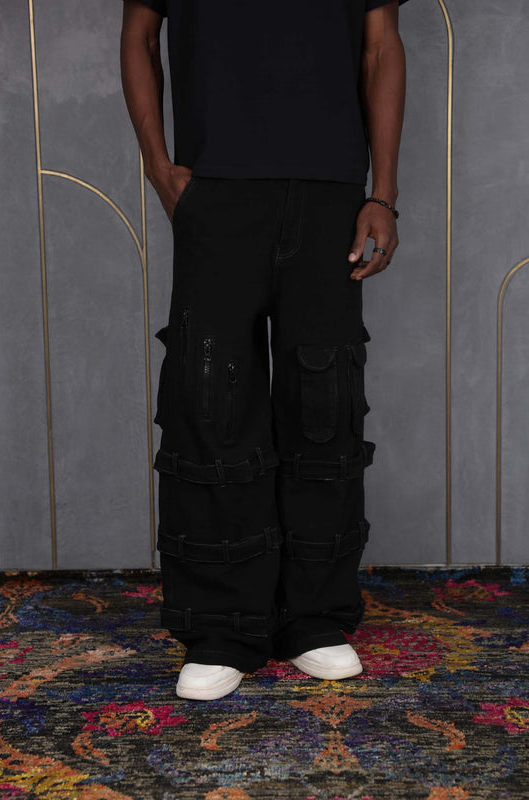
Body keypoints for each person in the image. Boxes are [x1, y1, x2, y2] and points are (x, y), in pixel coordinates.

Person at [120, 0, 408, 701]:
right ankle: (221, 626)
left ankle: (313, 619)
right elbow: (138, 34)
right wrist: (159, 166)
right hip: (217, 190)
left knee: (325, 399)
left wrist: (384, 193)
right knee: (209, 398)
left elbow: (380, 47)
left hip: (330, 193)